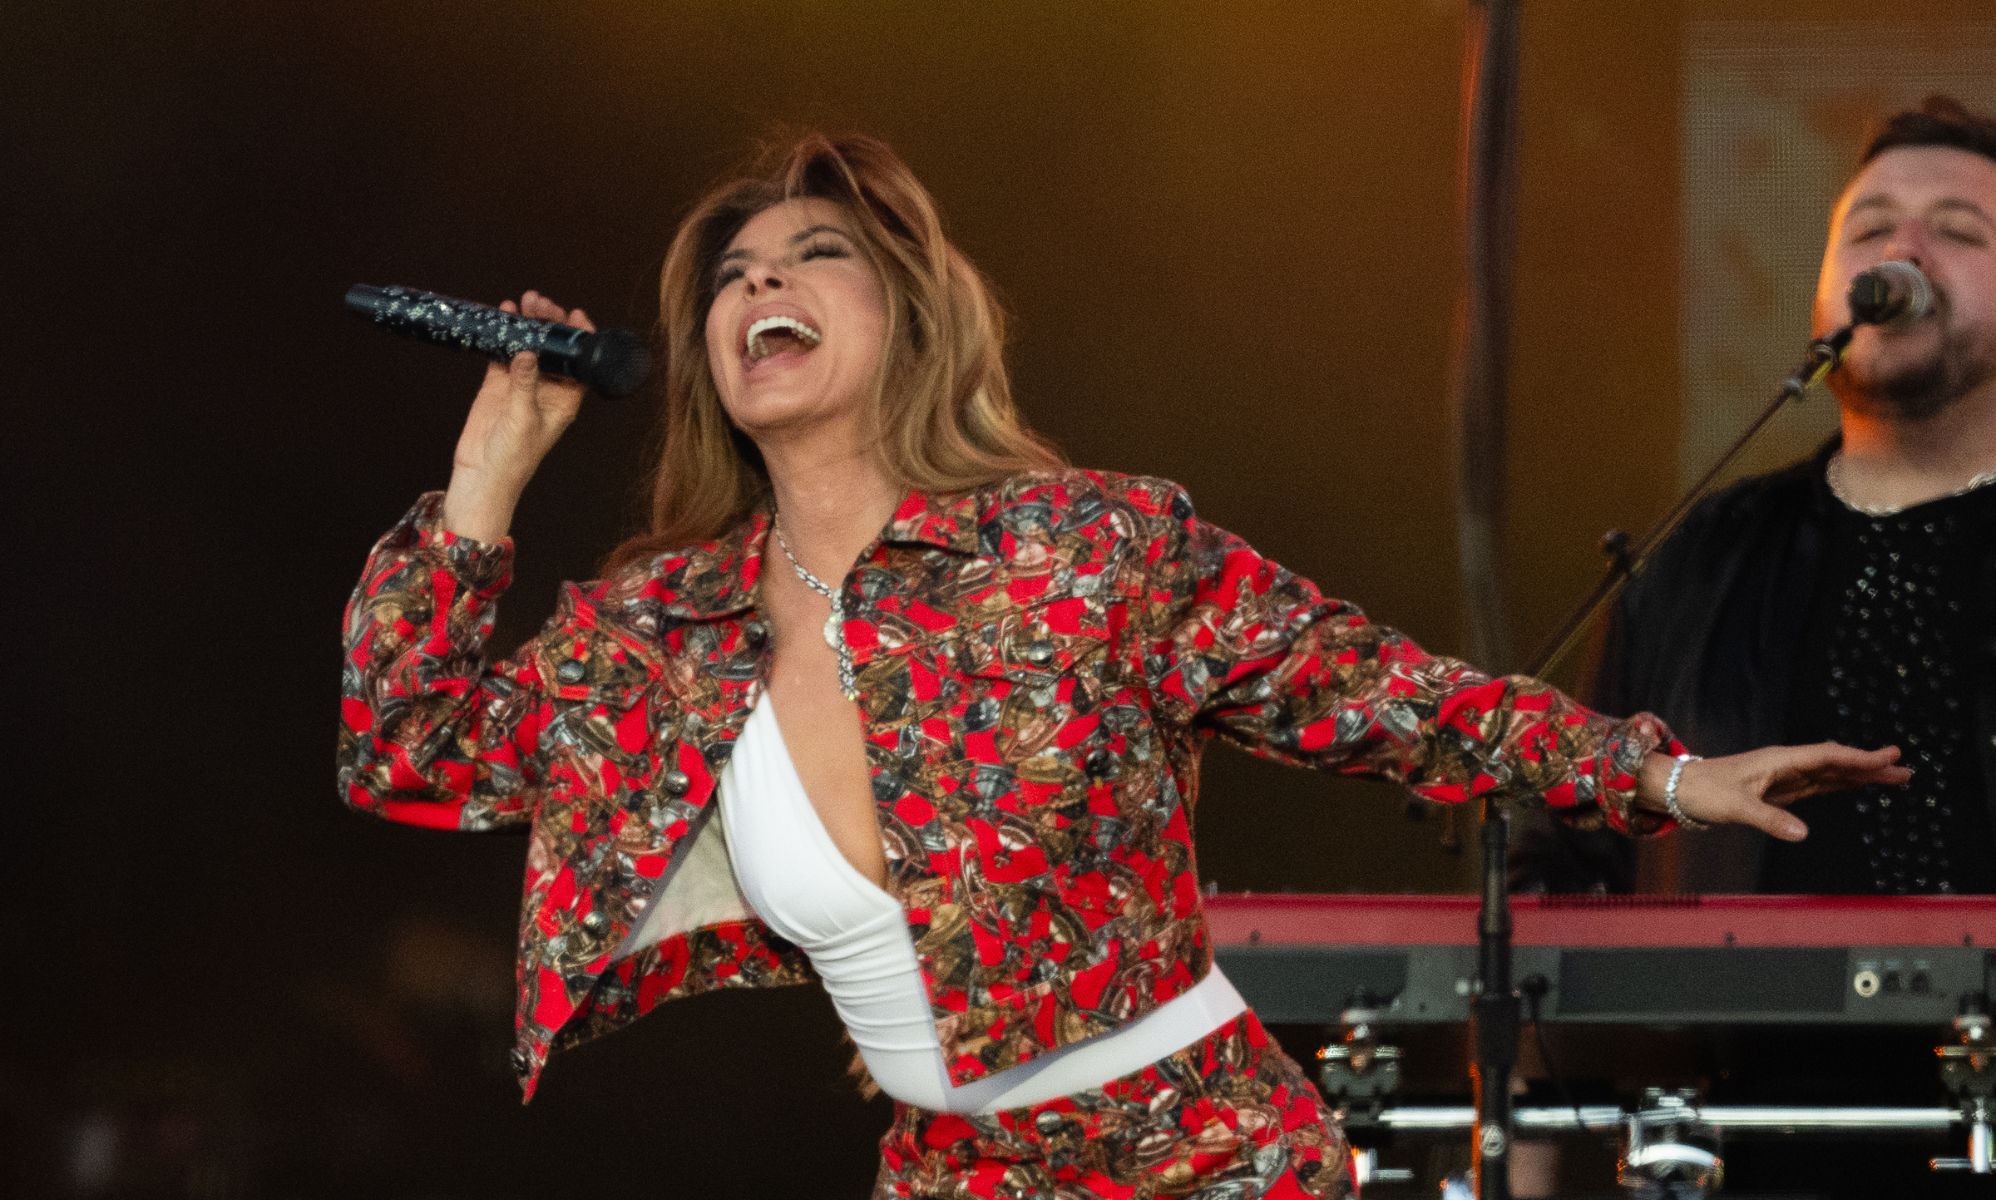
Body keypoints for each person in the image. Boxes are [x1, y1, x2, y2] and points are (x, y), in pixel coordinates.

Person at [337, 133, 1907, 1198]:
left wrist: (1658, 768)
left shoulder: (1085, 549)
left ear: (912, 313)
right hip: (948, 1171)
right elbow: (405, 753)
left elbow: (1373, 689)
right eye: (734, 274)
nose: (760, 286)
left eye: (813, 256)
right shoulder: (662, 637)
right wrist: (491, 472)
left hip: (1203, 1152)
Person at [1507, 95, 1996, 1197]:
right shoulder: (1692, 562)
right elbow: (1557, 887)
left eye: (1958, 231)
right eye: (1868, 226)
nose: (1902, 248)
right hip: (1742, 1153)